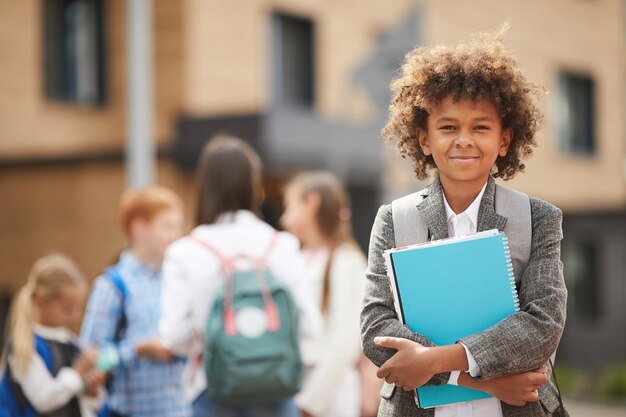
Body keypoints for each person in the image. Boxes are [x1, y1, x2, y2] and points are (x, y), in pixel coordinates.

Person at [360, 28, 568, 417]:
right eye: (448, 127)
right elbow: (375, 329)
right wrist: (473, 379)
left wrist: (434, 359)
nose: (464, 140)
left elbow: (542, 326)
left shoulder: (538, 218)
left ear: (504, 141)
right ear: (424, 140)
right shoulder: (393, 218)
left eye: (481, 127)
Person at [159, 135, 321, 417]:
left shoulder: (184, 252)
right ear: (252, 184)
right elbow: (309, 325)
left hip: (212, 391)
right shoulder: (281, 245)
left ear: (204, 186)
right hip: (276, 390)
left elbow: (174, 336)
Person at [80, 186, 190, 417]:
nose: (175, 235)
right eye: (167, 226)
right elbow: (92, 358)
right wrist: (138, 350)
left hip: (179, 409)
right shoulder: (112, 285)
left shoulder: (177, 280)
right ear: (139, 229)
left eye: (177, 227)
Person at [281, 171, 378, 417]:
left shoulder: (346, 260)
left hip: (330, 397)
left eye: (290, 206)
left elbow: (345, 341)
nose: (284, 218)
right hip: (294, 388)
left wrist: (308, 403)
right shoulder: (294, 258)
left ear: (312, 203)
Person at [0, 253, 105, 417]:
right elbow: (43, 399)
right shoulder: (25, 345)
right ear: (41, 301)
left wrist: (91, 390)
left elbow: (82, 404)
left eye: (78, 308)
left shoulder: (70, 342)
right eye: (67, 308)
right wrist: (78, 372)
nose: (75, 316)